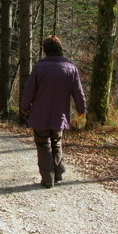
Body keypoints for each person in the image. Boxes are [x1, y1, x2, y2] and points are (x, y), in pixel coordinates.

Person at [21, 35, 86, 188]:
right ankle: (58, 173)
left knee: (43, 144)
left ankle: (47, 179)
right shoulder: (71, 68)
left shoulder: (39, 67)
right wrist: (81, 110)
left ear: (45, 50)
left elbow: (29, 90)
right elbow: (78, 92)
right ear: (59, 48)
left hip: (40, 115)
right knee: (56, 142)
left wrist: (24, 107)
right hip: (59, 114)